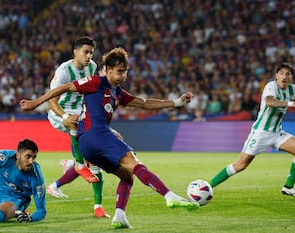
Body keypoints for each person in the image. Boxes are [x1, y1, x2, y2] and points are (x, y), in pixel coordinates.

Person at [20, 47, 199, 229]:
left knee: (127, 176)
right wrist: (35, 103)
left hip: (90, 144)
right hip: (96, 134)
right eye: (120, 71)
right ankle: (169, 197)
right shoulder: (96, 82)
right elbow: (64, 87)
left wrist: (176, 102)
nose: (123, 75)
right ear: (108, 69)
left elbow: (144, 103)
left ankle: (119, 216)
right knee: (135, 163)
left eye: (125, 72)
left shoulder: (118, 92)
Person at [208, 62, 295, 200]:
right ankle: (208, 186)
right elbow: (270, 102)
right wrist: (289, 103)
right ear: (276, 76)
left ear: (291, 77)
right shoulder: (270, 86)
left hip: (277, 133)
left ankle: (288, 187)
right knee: (241, 165)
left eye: (288, 74)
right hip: (260, 133)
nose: (284, 76)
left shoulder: (294, 90)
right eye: (281, 73)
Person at [46, 40, 114, 217]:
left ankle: (97, 207)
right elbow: (51, 101)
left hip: (81, 112)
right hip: (60, 113)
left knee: (96, 154)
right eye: (86, 52)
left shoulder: (92, 66)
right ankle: (77, 162)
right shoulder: (63, 72)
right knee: (76, 125)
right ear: (75, 52)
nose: (89, 56)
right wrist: (64, 116)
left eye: (91, 52)